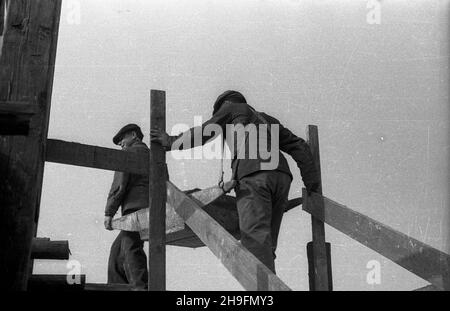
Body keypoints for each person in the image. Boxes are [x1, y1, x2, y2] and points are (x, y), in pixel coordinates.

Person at [150, 90, 320, 273]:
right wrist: (312, 185)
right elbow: (299, 146)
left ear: (223, 105)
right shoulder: (267, 119)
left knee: (254, 243)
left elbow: (205, 132)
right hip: (282, 177)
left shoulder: (231, 108)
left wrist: (171, 141)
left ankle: (263, 296)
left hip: (254, 175)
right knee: (267, 244)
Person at [104, 123, 149, 289]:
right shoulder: (154, 156)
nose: (120, 144)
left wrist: (109, 213)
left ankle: (140, 287)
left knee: (131, 248)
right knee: (117, 252)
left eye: (122, 139)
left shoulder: (128, 154)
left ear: (133, 135)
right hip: (153, 208)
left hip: (135, 209)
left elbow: (119, 185)